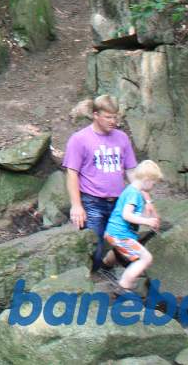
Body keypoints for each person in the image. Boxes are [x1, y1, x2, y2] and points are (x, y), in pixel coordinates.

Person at [62, 94, 137, 272]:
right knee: (94, 248)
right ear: (95, 115)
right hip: (92, 202)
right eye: (108, 117)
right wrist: (76, 206)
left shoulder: (122, 138)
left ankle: (110, 266)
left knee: (125, 242)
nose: (114, 121)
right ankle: (92, 283)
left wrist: (145, 199)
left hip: (119, 201)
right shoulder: (79, 139)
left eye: (115, 117)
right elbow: (71, 173)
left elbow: (131, 171)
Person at [102, 160, 163, 294]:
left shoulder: (131, 190)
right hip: (121, 235)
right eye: (154, 183)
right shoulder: (134, 194)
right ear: (147, 180)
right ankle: (124, 286)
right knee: (146, 258)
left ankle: (105, 265)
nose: (153, 186)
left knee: (119, 252)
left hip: (113, 233)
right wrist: (147, 222)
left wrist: (147, 217)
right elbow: (127, 215)